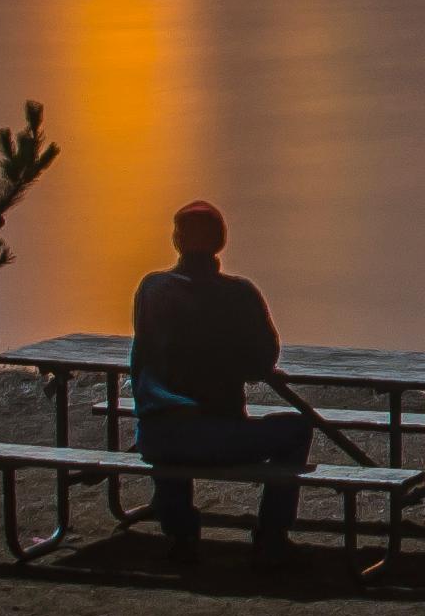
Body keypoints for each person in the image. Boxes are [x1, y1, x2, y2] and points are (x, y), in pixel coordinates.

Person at [130, 200, 304, 557]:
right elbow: (262, 360)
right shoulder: (239, 294)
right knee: (297, 429)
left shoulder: (151, 289)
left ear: (177, 240)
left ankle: (180, 532)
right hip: (217, 439)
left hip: (156, 437)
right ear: (221, 241)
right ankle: (272, 535)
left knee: (171, 425)